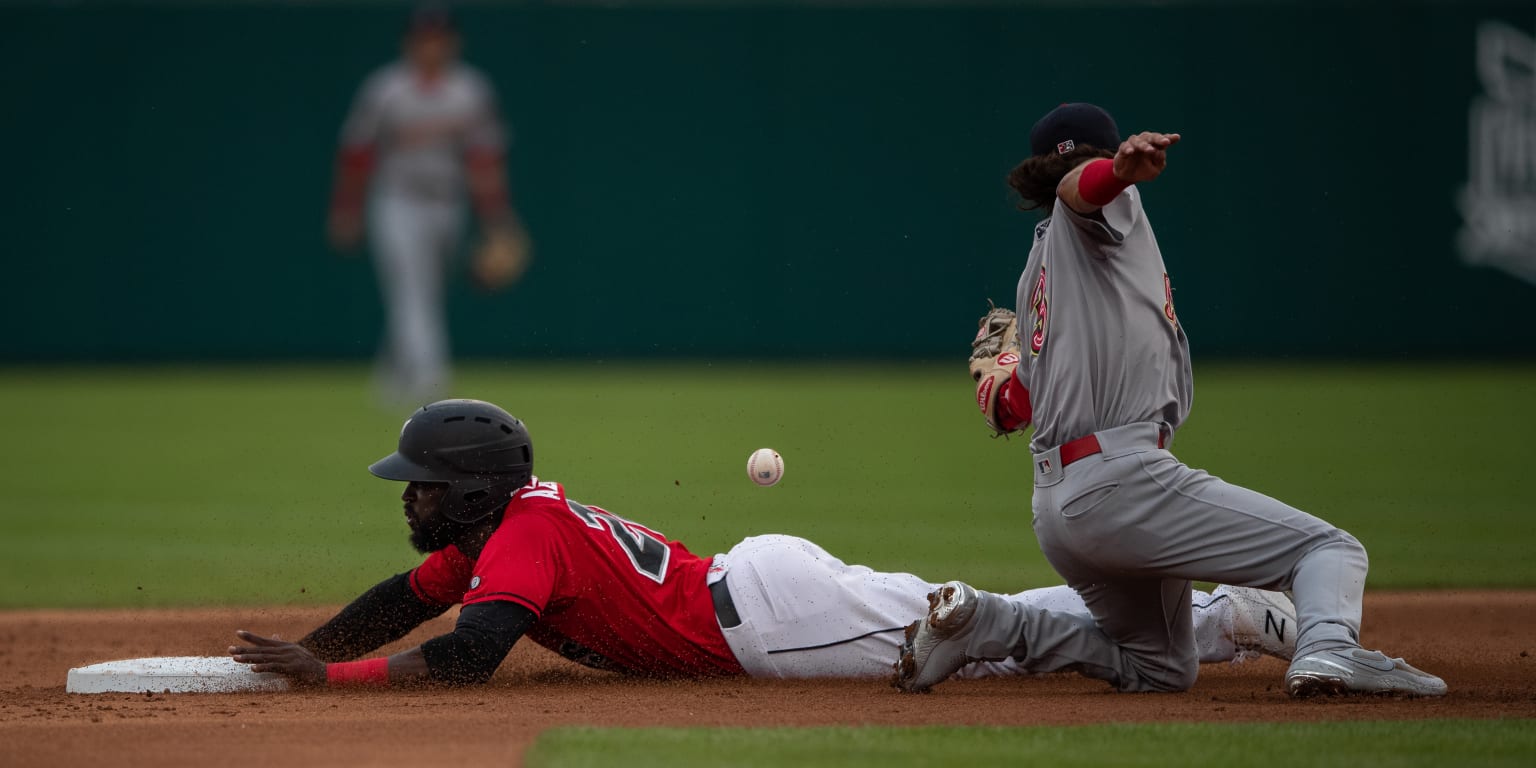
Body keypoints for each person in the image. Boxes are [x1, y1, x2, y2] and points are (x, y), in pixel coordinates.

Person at [893, 103, 1446, 697]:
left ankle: (985, 623)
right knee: (1328, 549)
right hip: (1123, 484)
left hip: (1060, 507)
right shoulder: (1101, 204)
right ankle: (1331, 651)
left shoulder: (1040, 271)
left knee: (1159, 668)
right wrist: (1119, 171)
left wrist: (1001, 388)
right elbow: (1081, 188)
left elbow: (1014, 406)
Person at [229, 398, 1296, 687]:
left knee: (985, 637)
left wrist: (339, 685)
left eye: (421, 488)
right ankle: (1204, 611)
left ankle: (1219, 618)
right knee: (964, 616)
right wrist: (317, 646)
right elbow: (409, 598)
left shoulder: (518, 547)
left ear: (465, 493)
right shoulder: (512, 528)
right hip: (765, 586)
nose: (409, 503)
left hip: (772, 629)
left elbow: (465, 658)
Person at [327, 4, 529, 406]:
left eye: (439, 38)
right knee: (410, 288)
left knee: (426, 292)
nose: (432, 46)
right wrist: (347, 209)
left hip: (448, 203)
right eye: (424, 39)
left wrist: (497, 218)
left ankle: (390, 380)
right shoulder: (386, 89)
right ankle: (431, 381)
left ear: (454, 42)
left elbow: (485, 159)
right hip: (395, 201)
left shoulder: (470, 90)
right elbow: (356, 154)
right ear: (409, 43)